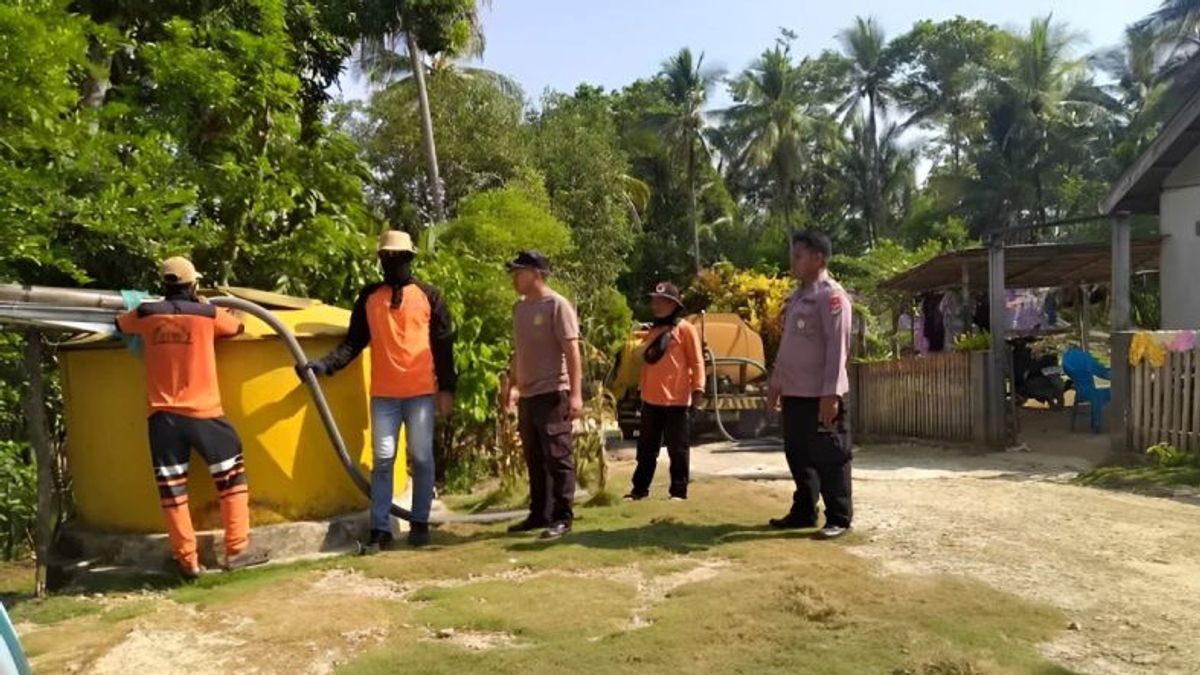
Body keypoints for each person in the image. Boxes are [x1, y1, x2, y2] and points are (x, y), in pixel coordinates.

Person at [299, 231, 456, 551]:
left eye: (400, 258)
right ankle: (381, 528)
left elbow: (444, 346)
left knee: (423, 458)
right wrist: (323, 366)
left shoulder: (430, 296)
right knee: (383, 460)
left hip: (421, 393)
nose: (393, 262)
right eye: (388, 258)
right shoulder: (370, 298)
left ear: (410, 259)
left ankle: (420, 522)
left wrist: (447, 389)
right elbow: (353, 343)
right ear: (381, 260)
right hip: (384, 394)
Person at [115, 257, 267, 578]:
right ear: (193, 284)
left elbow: (120, 324)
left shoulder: (145, 314)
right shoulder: (208, 314)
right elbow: (238, 326)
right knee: (231, 479)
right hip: (204, 412)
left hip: (162, 419)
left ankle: (188, 562)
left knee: (172, 491)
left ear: (165, 284)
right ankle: (237, 549)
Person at [766, 231, 854, 540]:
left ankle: (839, 517)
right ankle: (804, 510)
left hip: (821, 395)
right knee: (798, 455)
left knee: (830, 456)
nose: (793, 261)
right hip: (795, 394)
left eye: (799, 255)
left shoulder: (832, 298)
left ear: (818, 258)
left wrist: (831, 395)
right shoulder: (798, 297)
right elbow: (788, 347)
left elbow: (837, 350)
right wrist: (776, 385)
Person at [502, 251, 582, 541]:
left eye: (519, 272)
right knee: (534, 457)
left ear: (536, 274)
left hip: (553, 393)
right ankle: (540, 513)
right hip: (528, 394)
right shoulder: (519, 308)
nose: (514, 278)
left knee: (558, 457)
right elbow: (518, 351)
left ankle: (563, 517)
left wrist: (575, 396)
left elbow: (572, 351)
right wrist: (511, 385)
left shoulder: (557, 305)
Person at [625, 282, 705, 502]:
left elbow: (697, 362)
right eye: (654, 301)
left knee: (678, 450)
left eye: (661, 301)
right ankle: (639, 490)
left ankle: (678, 492)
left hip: (677, 400)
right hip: (651, 399)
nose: (656, 305)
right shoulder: (653, 330)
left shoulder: (685, 329)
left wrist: (698, 388)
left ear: (673, 304)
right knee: (646, 449)